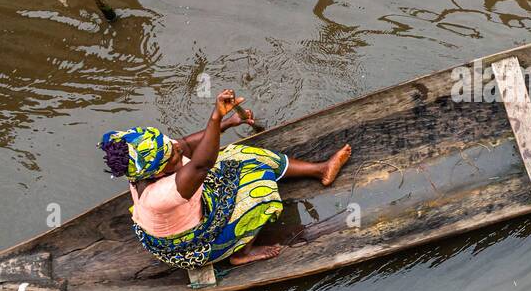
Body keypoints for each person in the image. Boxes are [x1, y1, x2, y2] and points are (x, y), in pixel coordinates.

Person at [99, 90, 351, 270]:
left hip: (194, 208)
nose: (177, 149)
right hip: (192, 243)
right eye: (173, 155)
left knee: (239, 153)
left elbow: (186, 145)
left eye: (171, 146)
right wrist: (215, 118)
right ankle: (241, 253)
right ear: (156, 172)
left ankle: (320, 170)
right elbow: (201, 163)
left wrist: (228, 123)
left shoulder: (145, 166)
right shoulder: (160, 195)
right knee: (261, 190)